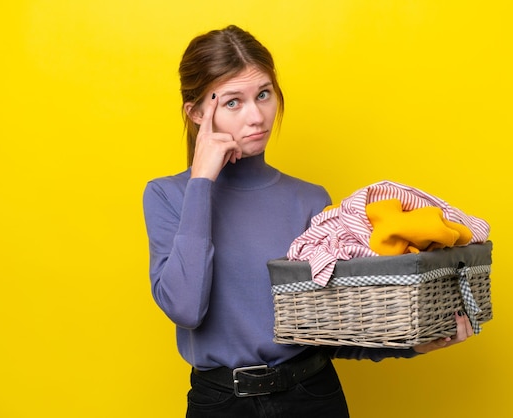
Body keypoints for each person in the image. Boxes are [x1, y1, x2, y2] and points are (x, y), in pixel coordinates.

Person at [143, 25, 474, 418]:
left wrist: (409, 344)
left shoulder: (309, 199)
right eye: (233, 102)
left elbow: (328, 327)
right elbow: (185, 308)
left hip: (311, 398)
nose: (256, 116)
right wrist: (201, 183)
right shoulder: (168, 196)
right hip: (220, 404)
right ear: (197, 112)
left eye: (263, 94)